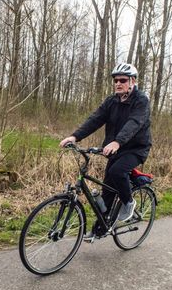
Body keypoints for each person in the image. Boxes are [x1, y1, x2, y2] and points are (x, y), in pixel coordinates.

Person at [60, 63, 152, 238]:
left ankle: (128, 202)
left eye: (122, 80)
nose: (118, 83)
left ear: (132, 81)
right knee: (107, 190)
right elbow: (95, 119)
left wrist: (117, 142)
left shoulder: (141, 100)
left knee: (117, 172)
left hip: (136, 148)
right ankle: (100, 229)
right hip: (115, 149)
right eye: (115, 80)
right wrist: (75, 136)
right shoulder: (112, 101)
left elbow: (134, 123)